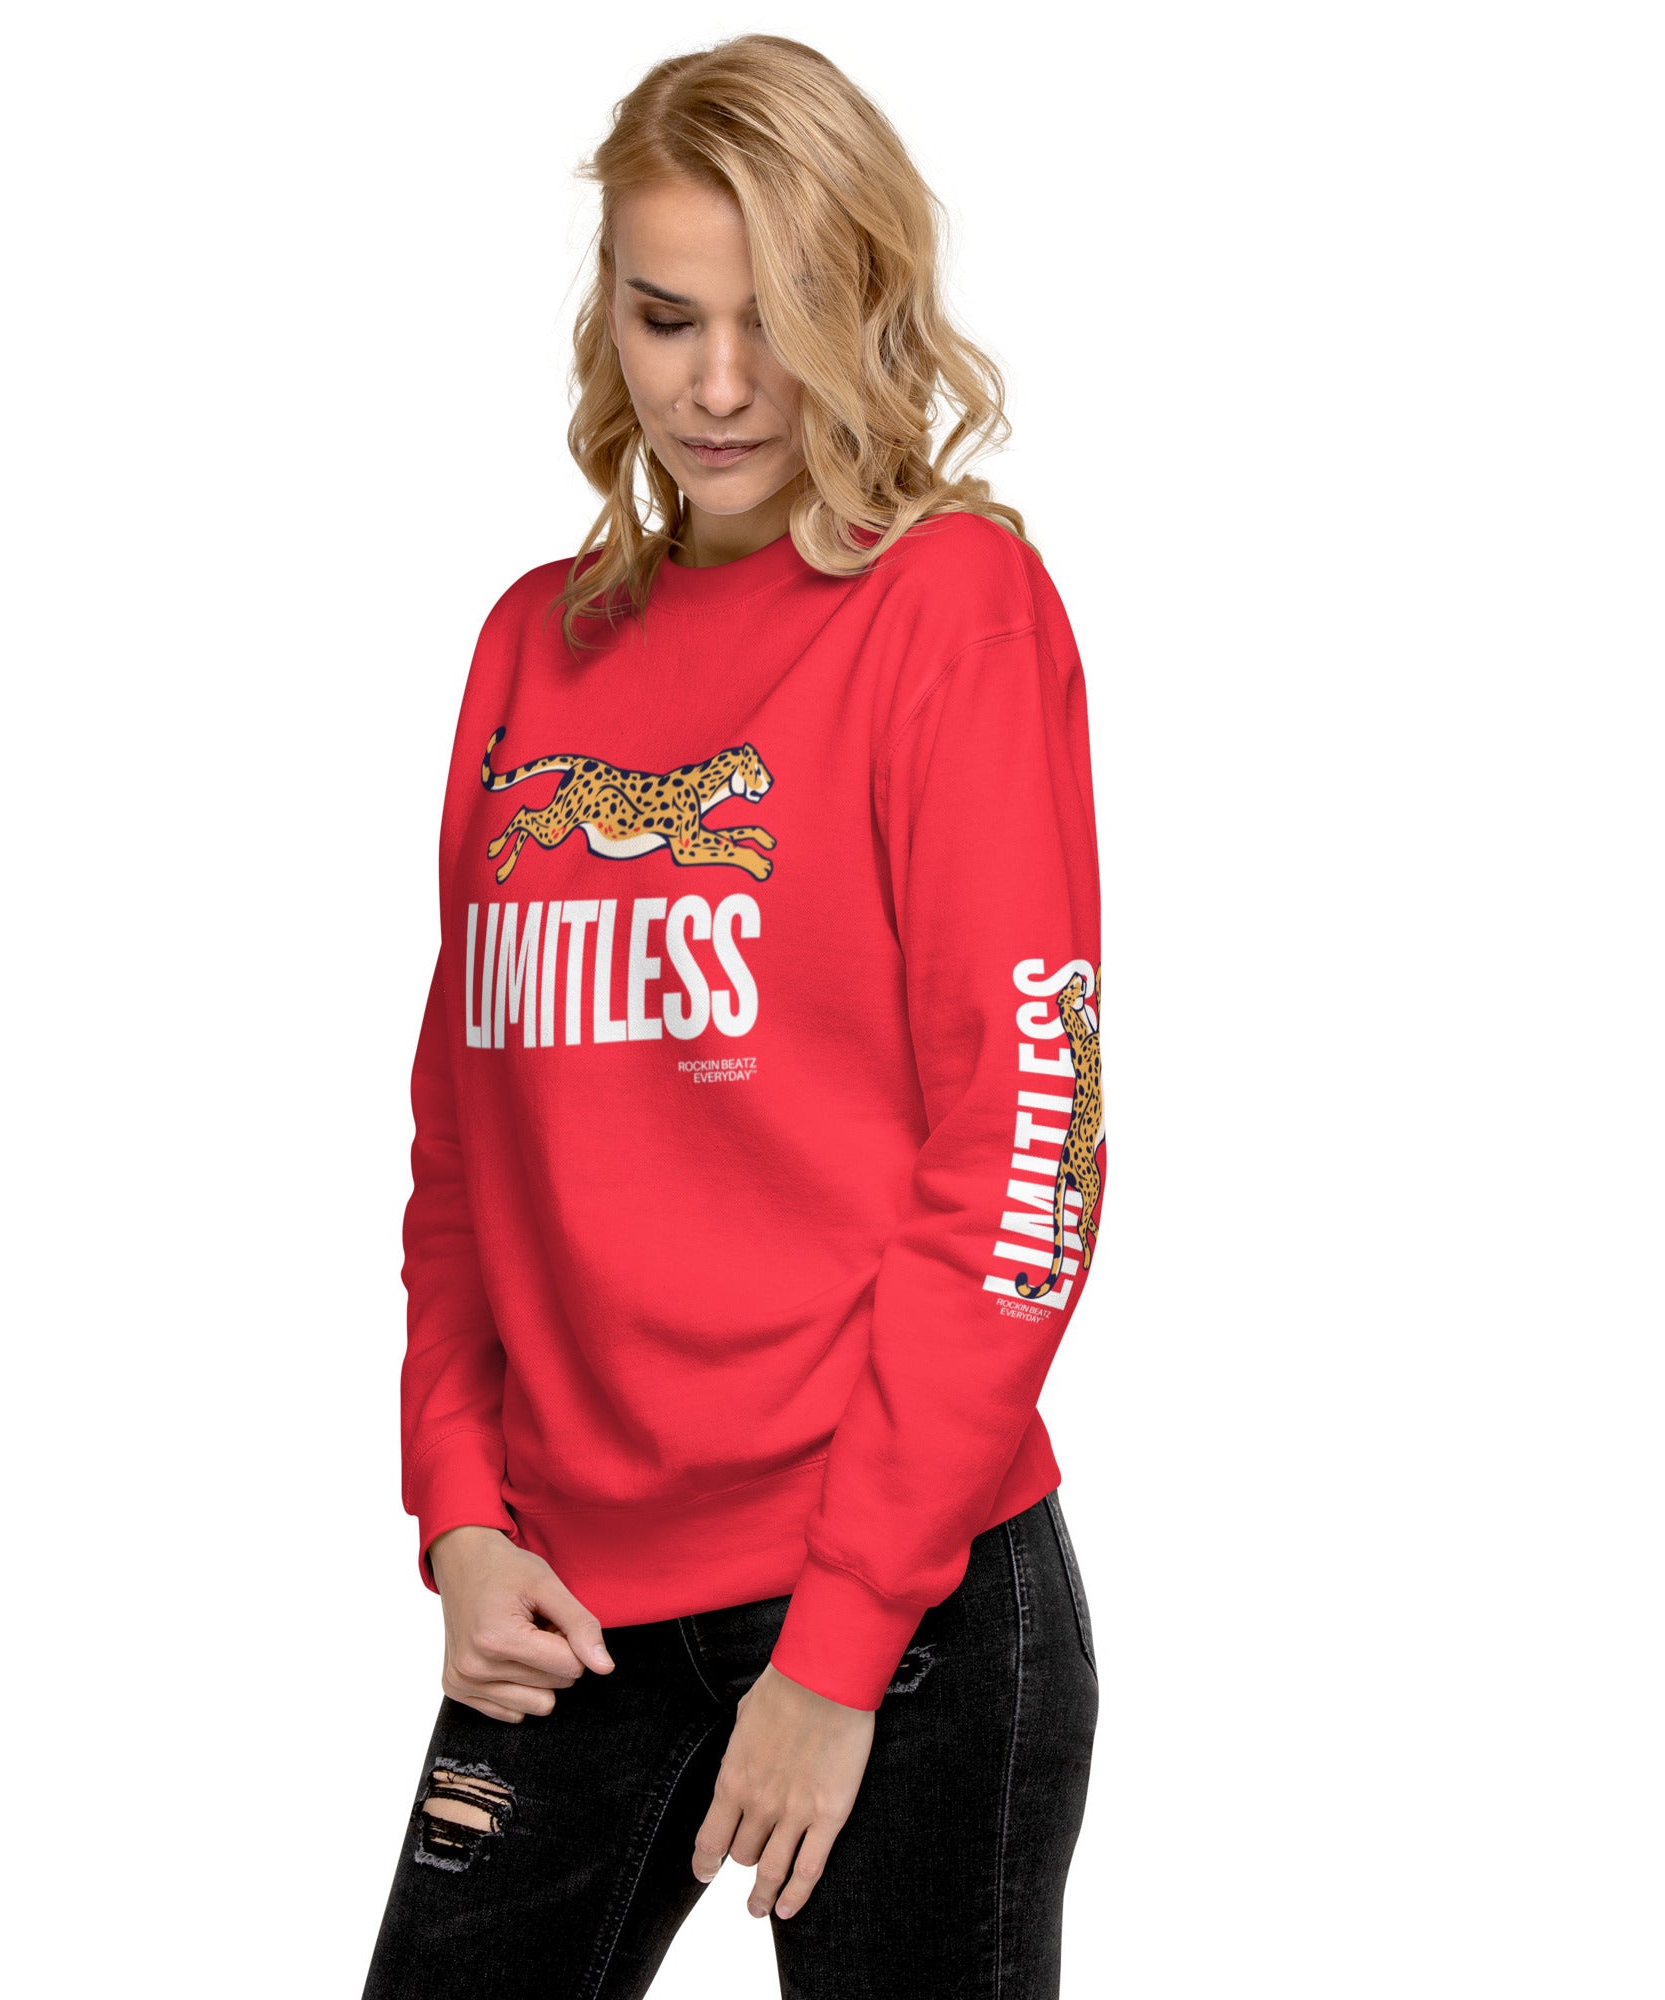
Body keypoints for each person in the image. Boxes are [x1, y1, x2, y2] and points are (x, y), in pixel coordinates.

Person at [360, 34, 1105, 2000]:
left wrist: (841, 1644)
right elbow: (465, 1144)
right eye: (666, 315)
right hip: (565, 1611)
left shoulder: (948, 609)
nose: (714, 385)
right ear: (606, 314)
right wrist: (456, 1510)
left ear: (866, 300)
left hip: (901, 1614)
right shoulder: (533, 644)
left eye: (773, 318)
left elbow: (1026, 1151)